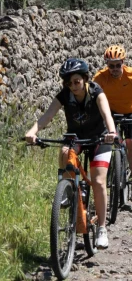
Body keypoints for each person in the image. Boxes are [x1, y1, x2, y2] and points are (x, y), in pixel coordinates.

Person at [25, 58, 116, 249]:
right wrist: (33, 132)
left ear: (85, 79)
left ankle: (101, 228)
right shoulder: (65, 96)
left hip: (99, 139)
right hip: (76, 138)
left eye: (77, 82)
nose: (73, 86)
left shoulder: (96, 92)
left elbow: (107, 115)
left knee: (99, 181)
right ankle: (68, 188)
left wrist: (111, 133)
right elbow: (47, 117)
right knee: (65, 150)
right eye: (69, 83)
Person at [93, 45, 132, 202]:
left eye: (118, 65)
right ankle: (107, 175)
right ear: (107, 65)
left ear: (123, 62)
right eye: (111, 66)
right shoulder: (100, 77)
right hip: (111, 113)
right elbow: (91, 97)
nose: (114, 69)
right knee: (106, 141)